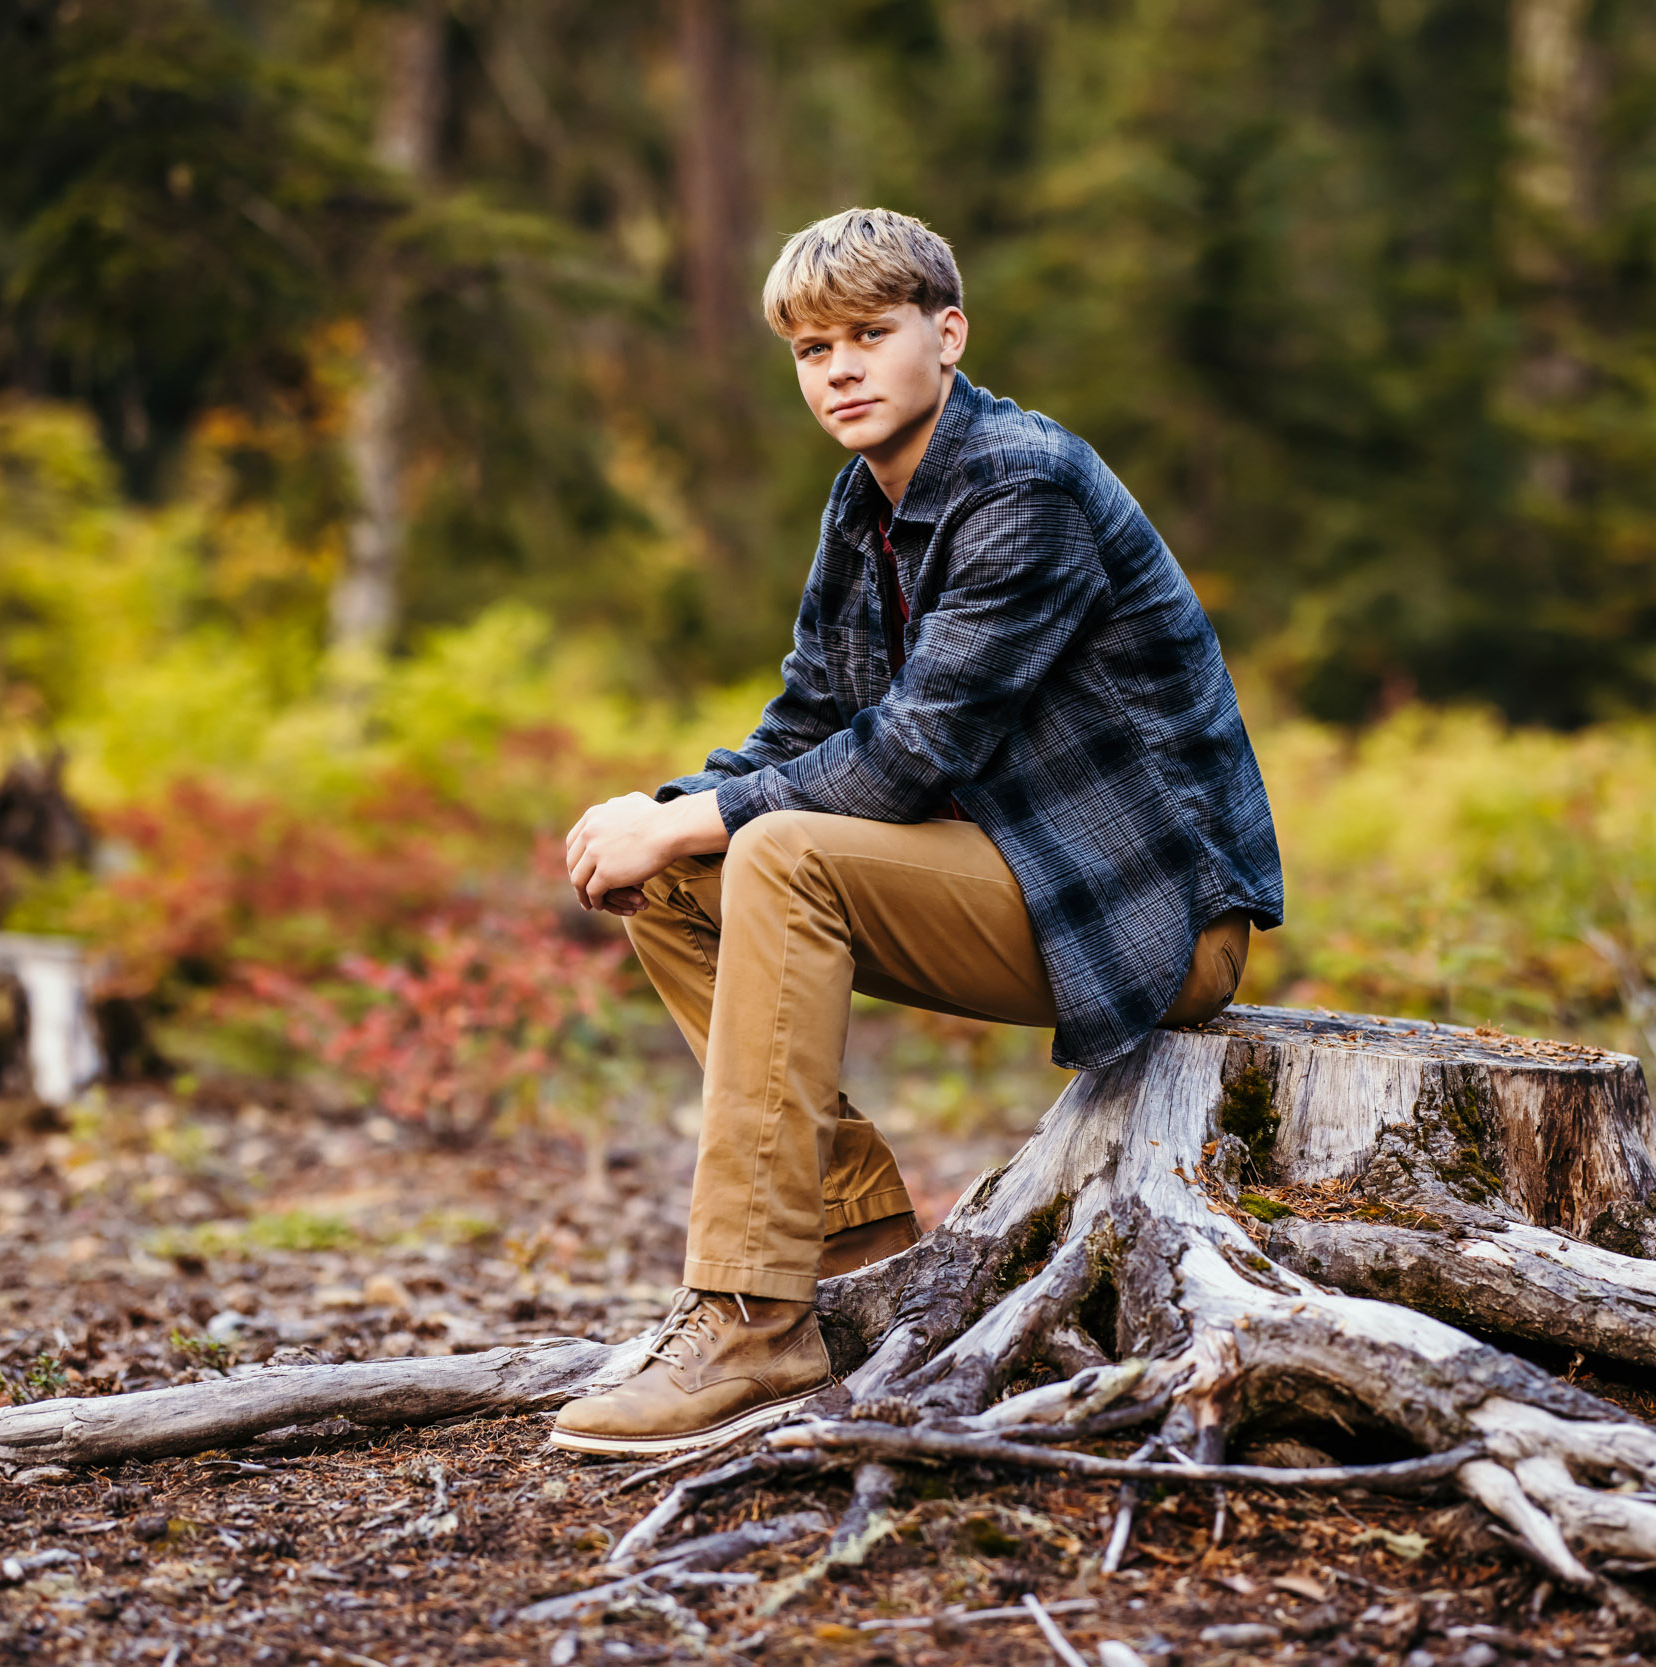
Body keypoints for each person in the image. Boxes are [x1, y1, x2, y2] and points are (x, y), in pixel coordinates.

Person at [549, 208, 1283, 1455]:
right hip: (1021, 878)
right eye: (809, 347)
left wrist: (696, 822)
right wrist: (662, 815)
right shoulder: (865, 501)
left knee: (767, 846)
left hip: (1150, 921)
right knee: (682, 872)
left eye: (868, 336)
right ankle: (848, 1250)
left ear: (946, 335)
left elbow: (909, 755)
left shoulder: (1022, 483)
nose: (837, 368)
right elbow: (807, 720)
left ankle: (747, 1313)